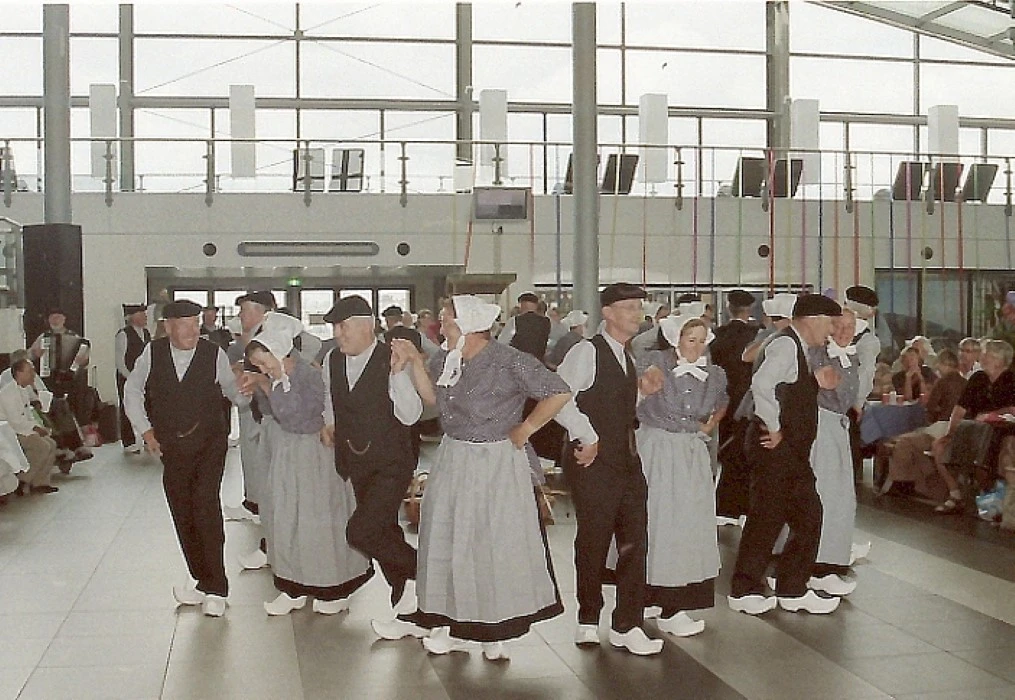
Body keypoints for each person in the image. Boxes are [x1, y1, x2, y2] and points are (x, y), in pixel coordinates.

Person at [396, 294, 584, 661]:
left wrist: (525, 429)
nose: (441, 326)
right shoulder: (448, 358)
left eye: (447, 320)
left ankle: (491, 629)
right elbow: (432, 398)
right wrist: (415, 362)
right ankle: (453, 622)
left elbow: (558, 391)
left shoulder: (507, 360)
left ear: (467, 325)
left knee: (490, 542)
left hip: (494, 462)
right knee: (451, 538)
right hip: (455, 456)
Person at [557, 282, 664, 656]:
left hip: (627, 461)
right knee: (594, 539)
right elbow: (558, 399)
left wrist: (641, 393)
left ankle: (627, 623)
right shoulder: (587, 351)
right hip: (595, 462)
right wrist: (587, 436)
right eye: (629, 307)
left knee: (635, 541)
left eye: (639, 307)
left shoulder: (626, 355)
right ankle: (588, 618)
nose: (637, 314)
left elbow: (614, 404)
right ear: (607, 313)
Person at [124, 299, 248, 617]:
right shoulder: (153, 352)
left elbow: (233, 393)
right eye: (184, 324)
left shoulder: (213, 353)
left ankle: (217, 587)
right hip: (172, 447)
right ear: (168, 326)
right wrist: (146, 432)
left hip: (209, 443)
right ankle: (201, 579)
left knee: (205, 506)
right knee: (182, 511)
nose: (192, 331)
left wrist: (250, 385)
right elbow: (133, 391)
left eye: (195, 324)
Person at [244, 327, 374, 616]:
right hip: (290, 452)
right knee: (288, 518)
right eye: (260, 366)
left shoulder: (309, 376)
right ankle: (294, 585)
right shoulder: (280, 379)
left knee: (318, 522)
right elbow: (275, 413)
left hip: (314, 455)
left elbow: (303, 418)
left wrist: (268, 386)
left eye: (266, 362)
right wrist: (267, 386)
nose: (264, 369)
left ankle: (332, 587)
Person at [728, 293, 844, 616]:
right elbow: (762, 385)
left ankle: (792, 587)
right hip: (775, 448)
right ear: (812, 320)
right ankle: (744, 588)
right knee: (768, 517)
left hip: (789, 451)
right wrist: (775, 426)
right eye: (829, 323)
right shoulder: (784, 346)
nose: (832, 330)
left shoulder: (801, 348)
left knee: (807, 515)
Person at [318, 296, 424, 635]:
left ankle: (426, 576)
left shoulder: (391, 358)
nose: (338, 334)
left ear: (367, 326)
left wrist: (397, 376)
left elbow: (412, 414)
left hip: (391, 462)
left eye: (343, 326)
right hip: (354, 460)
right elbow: (329, 397)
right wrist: (329, 422)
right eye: (334, 327)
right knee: (384, 531)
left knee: (361, 531)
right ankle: (409, 607)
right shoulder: (332, 359)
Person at [636, 313, 727, 637]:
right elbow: (636, 399)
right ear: (676, 339)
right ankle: (651, 597)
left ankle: (673, 602)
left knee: (686, 526)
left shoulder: (713, 373)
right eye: (692, 340)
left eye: (703, 340)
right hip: (659, 450)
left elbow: (722, 401)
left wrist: (710, 424)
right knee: (659, 523)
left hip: (689, 454)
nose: (698, 347)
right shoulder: (654, 363)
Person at [806, 308, 861, 595]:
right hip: (821, 427)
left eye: (850, 327)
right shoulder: (816, 354)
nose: (844, 331)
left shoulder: (852, 356)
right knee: (826, 494)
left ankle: (831, 558)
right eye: (839, 326)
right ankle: (819, 563)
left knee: (840, 497)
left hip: (838, 428)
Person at [930, 340, 1015, 514]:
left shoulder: (1011, 379)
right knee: (939, 446)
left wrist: (992, 415)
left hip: (1003, 431)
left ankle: (990, 497)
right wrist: (950, 433)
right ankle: (955, 494)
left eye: (986, 354)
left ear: (998, 360)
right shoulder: (978, 378)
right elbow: (960, 408)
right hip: (973, 430)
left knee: (998, 454)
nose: (982, 358)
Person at [883, 349, 966, 499]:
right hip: (959, 428)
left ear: (943, 364)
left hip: (942, 427)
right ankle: (919, 481)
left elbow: (931, 408)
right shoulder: (964, 382)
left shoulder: (942, 382)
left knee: (904, 441)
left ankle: (902, 482)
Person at [711, 290, 757, 525]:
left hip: (725, 399)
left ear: (729, 308)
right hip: (750, 401)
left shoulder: (717, 335)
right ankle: (745, 505)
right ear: (749, 309)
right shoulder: (756, 335)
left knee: (727, 450)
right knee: (748, 451)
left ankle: (725, 504)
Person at [0, 359, 58, 495]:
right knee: (42, 447)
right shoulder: (7, 393)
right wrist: (35, 429)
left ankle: (40, 482)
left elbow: (28, 415)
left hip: (24, 428)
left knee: (51, 443)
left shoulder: (23, 389)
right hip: (12, 432)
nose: (33, 374)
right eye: (30, 371)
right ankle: (23, 480)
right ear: (19, 373)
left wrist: (39, 427)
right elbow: (16, 422)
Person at [29, 309, 91, 424]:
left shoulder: (75, 338)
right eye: (52, 317)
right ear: (48, 320)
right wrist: (35, 353)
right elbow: (29, 355)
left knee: (72, 408)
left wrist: (84, 362)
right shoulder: (44, 337)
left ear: (64, 319)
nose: (55, 320)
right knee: (49, 409)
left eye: (58, 317)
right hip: (49, 377)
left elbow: (84, 361)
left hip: (69, 379)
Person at [115, 304, 151, 454]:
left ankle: (148, 439)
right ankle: (128, 441)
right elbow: (119, 361)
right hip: (127, 377)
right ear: (132, 317)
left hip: (144, 377)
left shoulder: (147, 333)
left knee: (148, 407)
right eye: (141, 314)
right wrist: (130, 378)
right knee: (126, 407)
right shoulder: (123, 334)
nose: (145, 317)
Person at [498, 291, 551, 359]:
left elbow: (502, 343)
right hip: (539, 362)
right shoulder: (546, 322)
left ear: (522, 305)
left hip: (518, 362)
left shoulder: (514, 321)